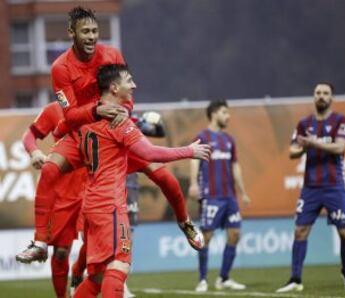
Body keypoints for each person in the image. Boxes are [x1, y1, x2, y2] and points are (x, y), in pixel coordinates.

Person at [16, 6, 203, 264]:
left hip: (113, 131)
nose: (92, 36)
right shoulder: (61, 67)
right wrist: (96, 110)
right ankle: (39, 243)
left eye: (95, 31)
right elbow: (69, 117)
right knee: (49, 170)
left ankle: (185, 222)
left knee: (164, 177)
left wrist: (123, 112)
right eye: (85, 31)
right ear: (72, 33)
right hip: (83, 134)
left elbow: (126, 92)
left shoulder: (112, 55)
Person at [73, 63, 210, 297]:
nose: (134, 85)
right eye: (129, 80)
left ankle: (185, 223)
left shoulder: (88, 117)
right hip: (110, 206)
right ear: (114, 87)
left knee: (97, 277)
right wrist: (189, 150)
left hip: (92, 204)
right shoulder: (117, 121)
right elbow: (149, 152)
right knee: (119, 266)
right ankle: (184, 223)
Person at [276, 82, 345, 293]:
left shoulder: (340, 120)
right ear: (314, 97)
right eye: (318, 93)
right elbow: (292, 151)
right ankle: (295, 279)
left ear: (332, 98)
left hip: (334, 186)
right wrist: (304, 146)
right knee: (300, 231)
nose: (321, 96)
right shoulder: (304, 123)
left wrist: (313, 143)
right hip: (310, 188)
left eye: (326, 93)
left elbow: (340, 147)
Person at [22, 102, 87, 298]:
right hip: (63, 191)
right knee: (60, 253)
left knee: (92, 241)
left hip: (92, 185)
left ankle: (78, 270)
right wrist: (34, 151)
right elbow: (30, 136)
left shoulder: (98, 105)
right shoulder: (53, 109)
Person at [189, 100, 251, 293]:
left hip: (229, 197)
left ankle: (223, 278)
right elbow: (194, 160)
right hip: (211, 196)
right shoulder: (202, 136)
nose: (228, 116)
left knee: (235, 234)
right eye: (225, 112)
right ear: (214, 113)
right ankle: (202, 280)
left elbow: (235, 166)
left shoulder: (229, 140)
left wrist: (243, 191)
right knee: (206, 237)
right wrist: (193, 183)